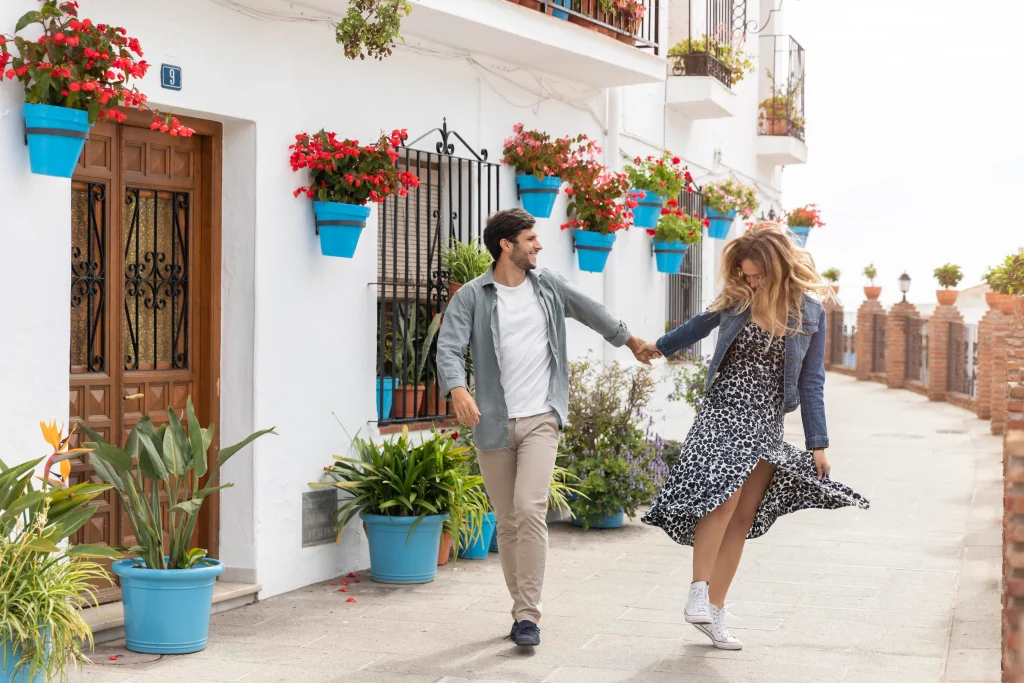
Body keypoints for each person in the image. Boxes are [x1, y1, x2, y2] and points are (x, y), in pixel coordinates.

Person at [640, 223, 870, 650]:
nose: (750, 280)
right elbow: (696, 326)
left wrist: (818, 442)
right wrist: (659, 347)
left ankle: (716, 609)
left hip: (766, 421)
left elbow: (812, 381)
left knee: (743, 516)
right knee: (722, 500)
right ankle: (697, 591)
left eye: (757, 274)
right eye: (745, 273)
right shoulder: (737, 301)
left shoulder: (810, 313)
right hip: (725, 410)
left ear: (778, 268)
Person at [436, 208, 657, 648]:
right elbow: (449, 345)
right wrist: (458, 389)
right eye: (531, 238)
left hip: (541, 416)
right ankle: (519, 612)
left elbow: (592, 311)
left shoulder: (549, 285)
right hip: (493, 422)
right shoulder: (473, 297)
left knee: (529, 507)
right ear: (506, 245)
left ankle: (528, 616)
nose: (538, 245)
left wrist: (630, 340)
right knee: (508, 520)